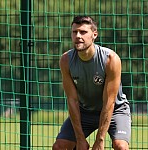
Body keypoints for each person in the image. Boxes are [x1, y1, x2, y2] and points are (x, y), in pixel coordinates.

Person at [52, 16, 131, 150]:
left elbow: (109, 102)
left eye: (83, 32)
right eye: (74, 32)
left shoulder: (110, 59)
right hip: (84, 112)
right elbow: (72, 100)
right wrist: (80, 139)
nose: (78, 36)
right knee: (60, 146)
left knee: (121, 147)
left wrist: (100, 140)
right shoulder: (66, 60)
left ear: (94, 35)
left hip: (115, 111)